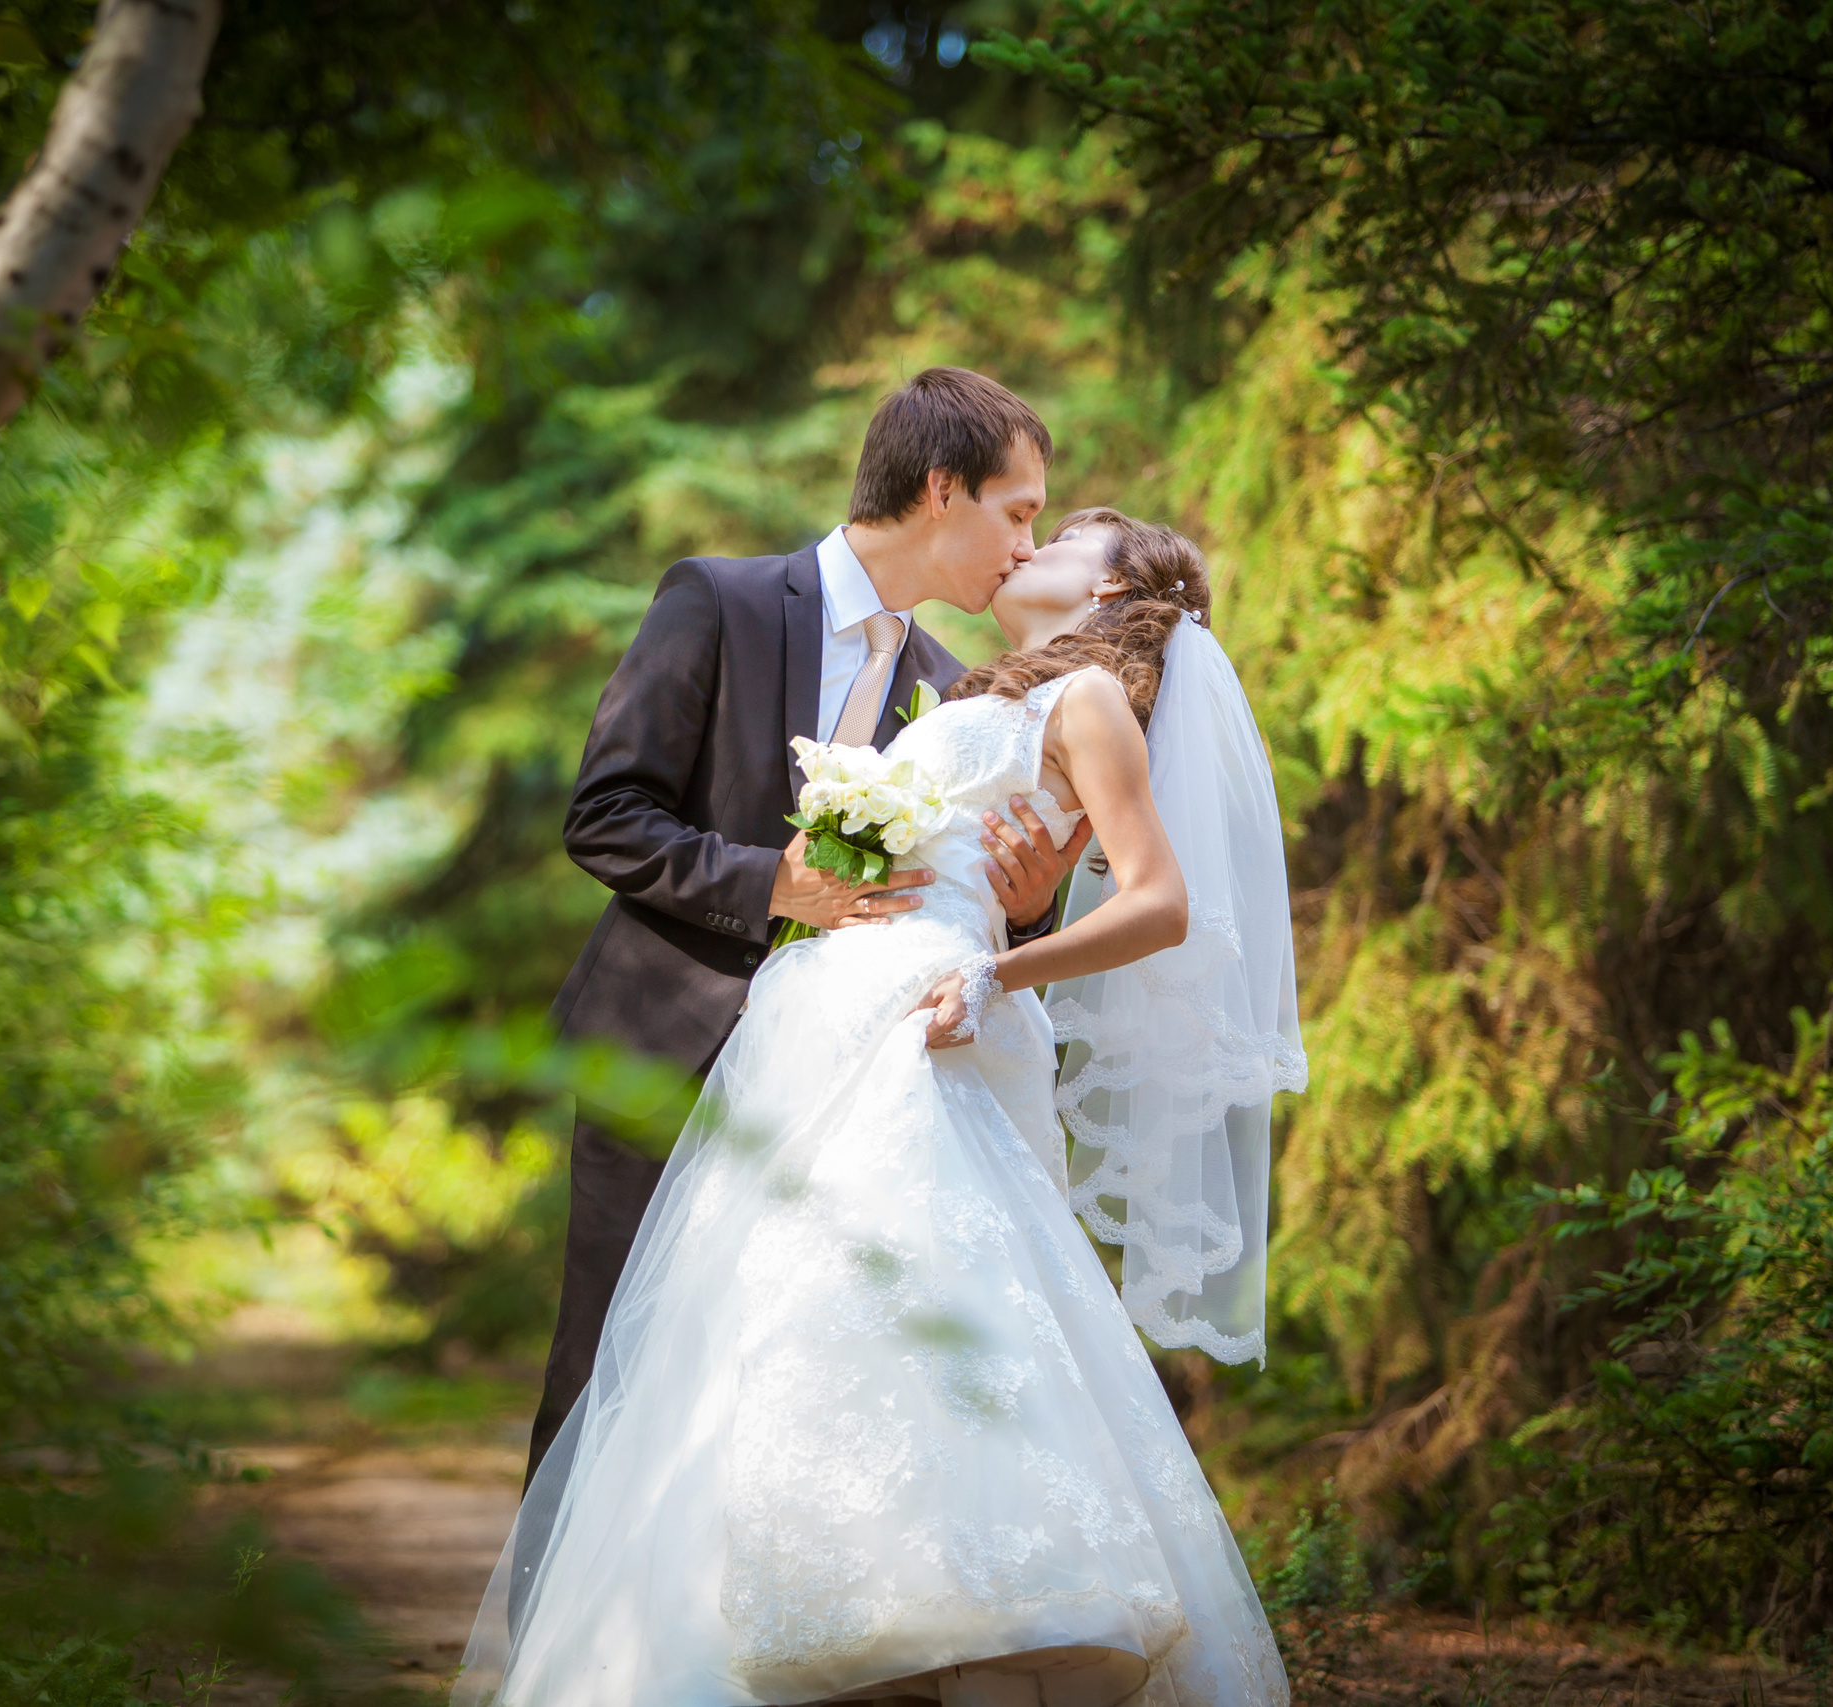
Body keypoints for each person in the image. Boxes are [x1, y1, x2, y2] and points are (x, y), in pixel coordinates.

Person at [458, 505, 1308, 1707]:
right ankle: (778, 1601)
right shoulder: (974, 685)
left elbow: (1158, 901)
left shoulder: (1088, 700)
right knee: (774, 1318)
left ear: (1115, 593)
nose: (1028, 545)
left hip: (925, 1026)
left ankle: (941, 1610)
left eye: (1061, 535)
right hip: (820, 1020)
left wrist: (1003, 964)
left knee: (910, 1294)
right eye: (1023, 516)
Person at [531, 368, 1088, 1481]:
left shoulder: (956, 693)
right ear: (942, 489)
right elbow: (605, 815)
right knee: (608, 1370)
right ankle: (552, 1599)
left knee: (769, 1385)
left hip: (842, 1082)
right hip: (667, 1050)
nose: (1028, 549)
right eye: (1018, 512)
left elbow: (958, 904)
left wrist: (1027, 911)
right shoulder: (718, 602)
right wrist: (767, 884)